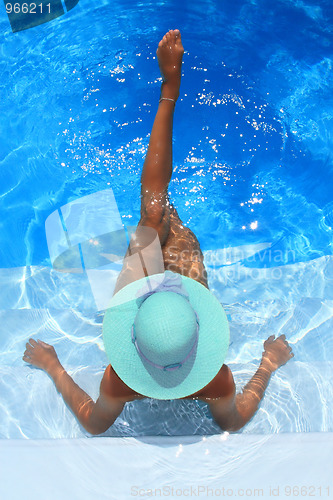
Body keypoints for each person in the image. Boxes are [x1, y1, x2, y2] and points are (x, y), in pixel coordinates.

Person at [23, 29, 294, 435]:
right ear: (200, 340)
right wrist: (267, 363)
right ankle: (170, 90)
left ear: (131, 338)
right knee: (159, 211)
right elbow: (234, 421)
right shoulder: (213, 381)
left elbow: (94, 424)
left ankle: (170, 90)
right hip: (178, 298)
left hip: (152, 306)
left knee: (153, 211)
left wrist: (53, 365)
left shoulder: (120, 381)